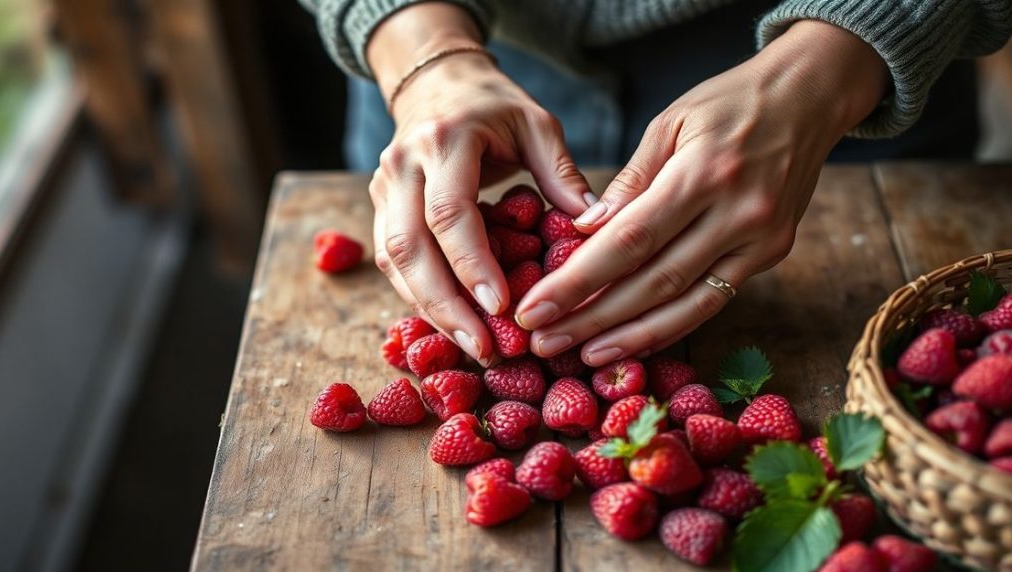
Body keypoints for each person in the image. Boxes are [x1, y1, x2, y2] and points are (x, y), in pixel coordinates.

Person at [301, 0, 1012, 367]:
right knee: (446, 251)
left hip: (837, 76)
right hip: (441, 83)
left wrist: (836, 62)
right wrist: (425, 58)